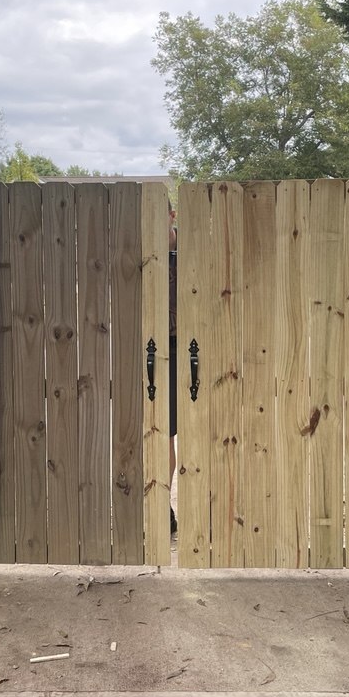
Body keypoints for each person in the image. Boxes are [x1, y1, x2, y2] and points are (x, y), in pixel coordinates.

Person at [169, 205, 178, 535]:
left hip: (194, 349)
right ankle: (163, 507)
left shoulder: (189, 250)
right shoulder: (143, 254)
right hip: (157, 352)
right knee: (162, 433)